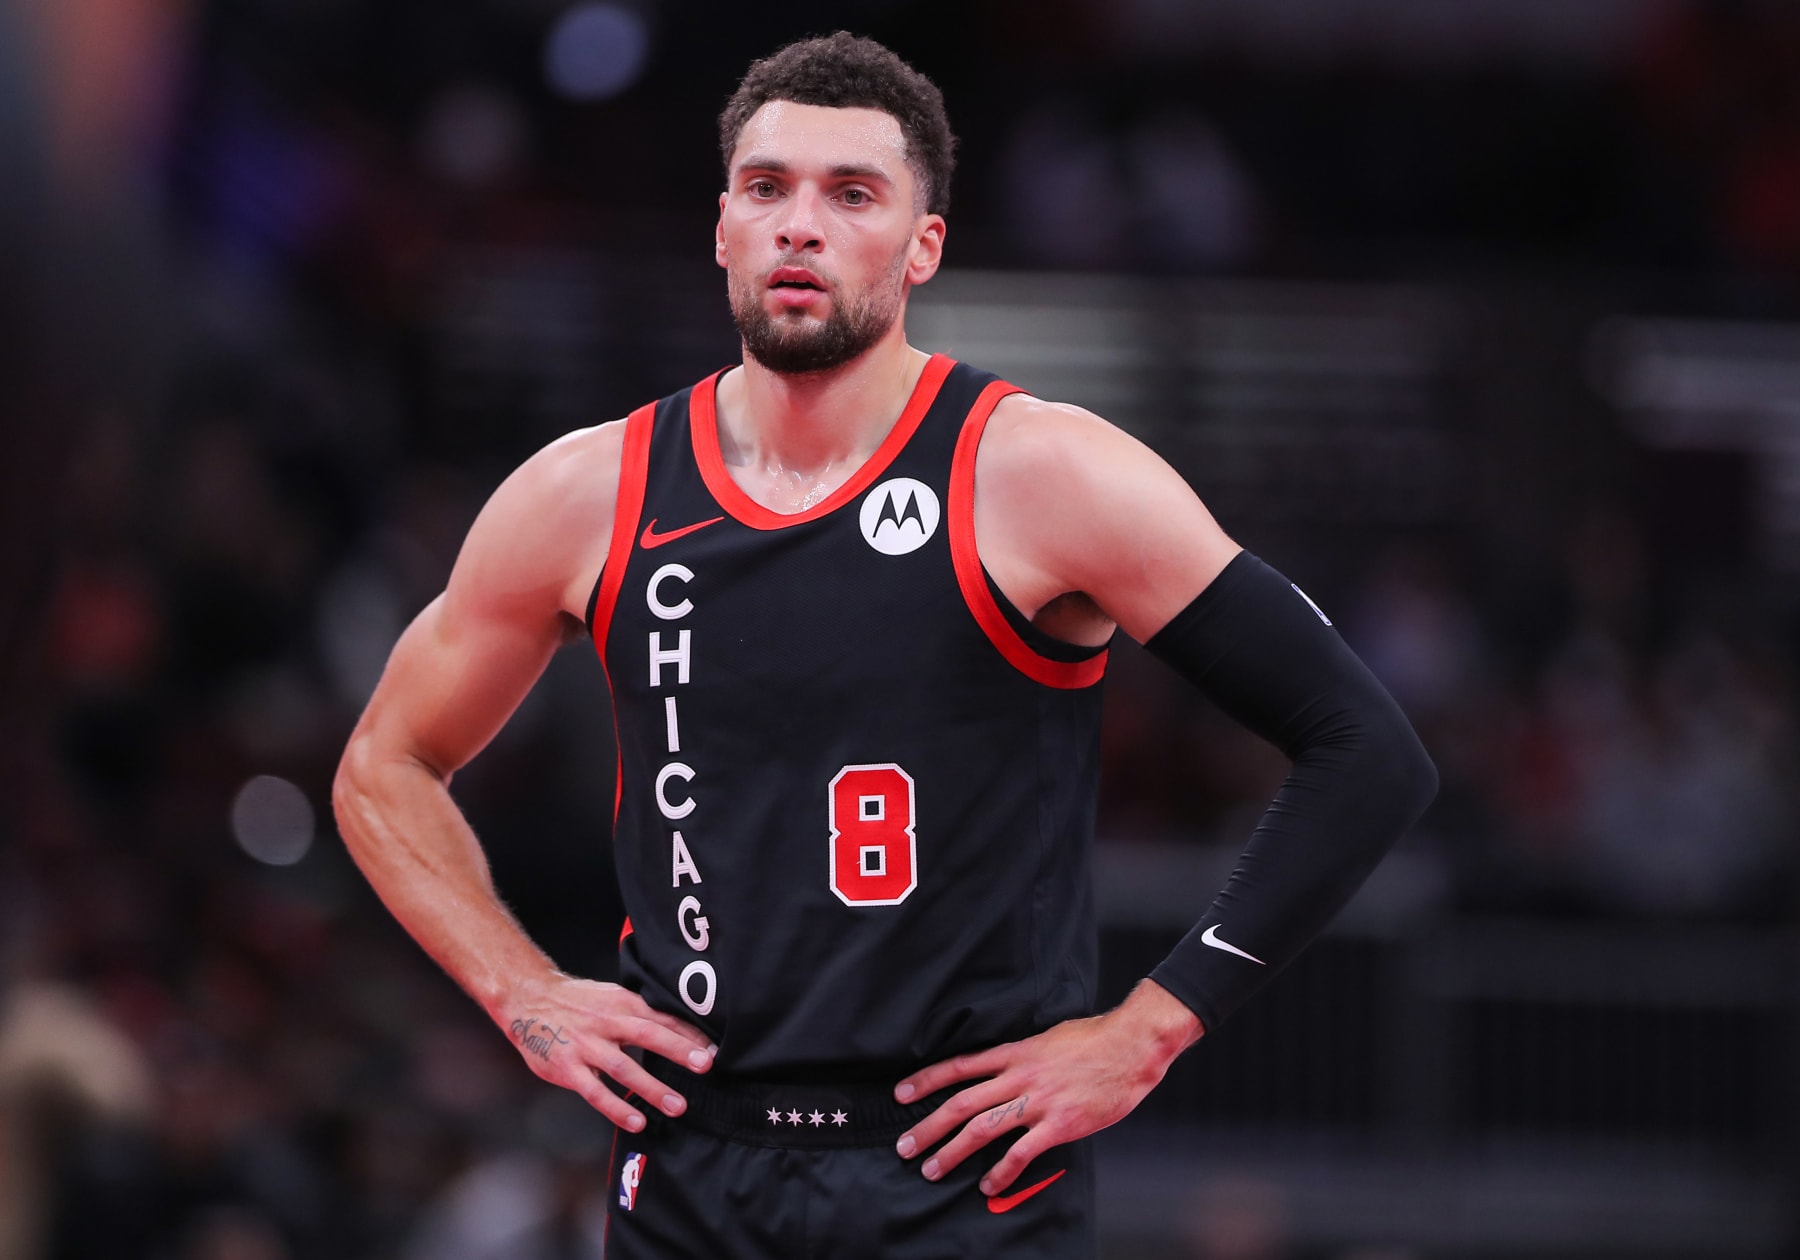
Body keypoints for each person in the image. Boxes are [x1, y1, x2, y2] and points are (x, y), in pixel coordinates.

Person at [333, 32, 1437, 1260]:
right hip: (694, 1158)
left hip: (959, 1169)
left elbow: (1365, 748)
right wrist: (522, 991)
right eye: (767, 189)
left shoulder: (1040, 471)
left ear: (924, 246)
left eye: (851, 194)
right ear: (721, 228)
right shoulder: (590, 492)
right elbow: (384, 763)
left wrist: (1152, 1027)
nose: (799, 225)